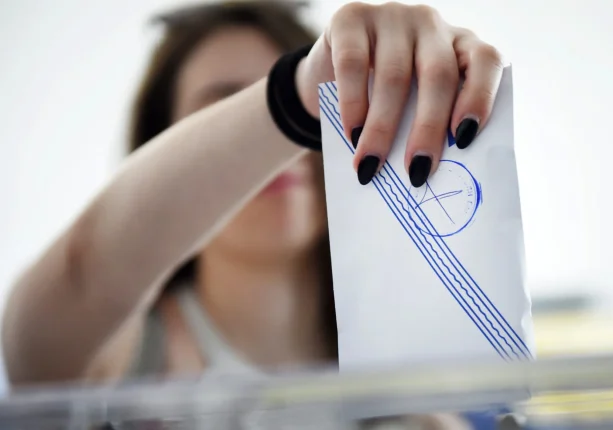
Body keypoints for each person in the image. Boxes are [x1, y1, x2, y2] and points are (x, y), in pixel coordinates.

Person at [1, 0, 504, 427]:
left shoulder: (411, 383)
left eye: (322, 111)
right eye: (226, 108)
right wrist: (292, 98)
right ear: (161, 150)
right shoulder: (124, 356)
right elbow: (75, 283)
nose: (281, 151)